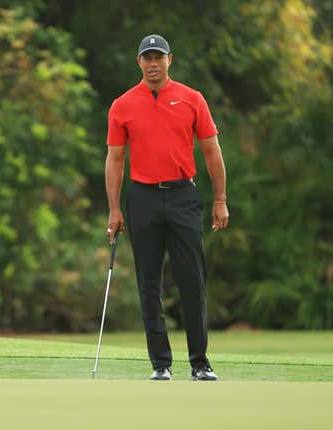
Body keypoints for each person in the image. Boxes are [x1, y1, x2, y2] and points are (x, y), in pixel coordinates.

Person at [105, 34, 229, 381]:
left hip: (183, 196)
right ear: (139, 62)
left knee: (193, 281)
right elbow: (115, 160)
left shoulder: (192, 99)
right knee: (149, 284)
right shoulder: (123, 105)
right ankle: (161, 364)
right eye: (147, 58)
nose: (153, 63)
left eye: (159, 57)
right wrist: (114, 209)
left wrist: (220, 200)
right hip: (142, 198)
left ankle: (199, 362)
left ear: (170, 60)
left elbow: (212, 153)